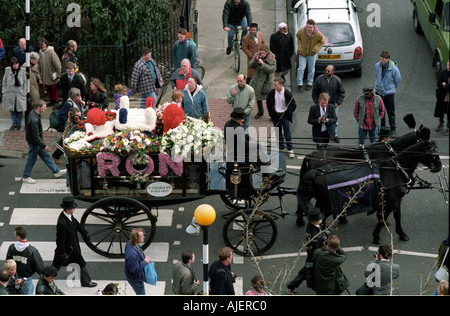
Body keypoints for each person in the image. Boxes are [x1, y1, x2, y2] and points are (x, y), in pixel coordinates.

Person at [52, 196, 97, 288]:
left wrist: (84, 233)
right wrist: (63, 253)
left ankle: (86, 281)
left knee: (76, 263)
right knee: (57, 265)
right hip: (67, 248)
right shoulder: (62, 223)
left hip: (72, 247)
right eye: (73, 207)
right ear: (67, 209)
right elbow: (59, 240)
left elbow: (76, 223)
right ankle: (46, 278)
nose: (75, 208)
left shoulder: (69, 215)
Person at [22, 100, 67, 184]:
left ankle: (56, 171)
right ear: (39, 107)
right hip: (35, 143)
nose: (46, 108)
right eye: (44, 107)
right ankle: (26, 176)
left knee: (46, 156)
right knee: (31, 159)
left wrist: (42, 145)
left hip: (36, 142)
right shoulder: (34, 119)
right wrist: (44, 146)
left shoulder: (34, 114)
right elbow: (35, 136)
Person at [287, 208, 329, 293]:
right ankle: (292, 285)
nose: (322, 219)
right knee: (307, 272)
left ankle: (292, 285)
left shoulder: (311, 226)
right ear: (315, 221)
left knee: (306, 272)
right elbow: (315, 248)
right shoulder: (314, 234)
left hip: (314, 255)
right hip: (314, 256)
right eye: (320, 218)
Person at [5, 226, 44, 295]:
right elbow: (39, 266)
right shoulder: (32, 250)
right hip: (26, 279)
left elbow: (7, 263)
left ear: (18, 237)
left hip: (13, 278)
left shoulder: (12, 248)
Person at [52, 88, 86, 164]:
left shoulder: (78, 101)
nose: (80, 97)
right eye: (78, 96)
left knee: (65, 139)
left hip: (77, 123)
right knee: (66, 140)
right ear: (73, 97)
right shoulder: (68, 104)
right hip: (71, 125)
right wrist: (68, 122)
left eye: (80, 95)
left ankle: (57, 155)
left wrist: (84, 105)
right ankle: (56, 155)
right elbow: (61, 115)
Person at [312, 65, 345, 142]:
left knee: (334, 120)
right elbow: (314, 92)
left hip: (332, 105)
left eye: (328, 71)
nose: (326, 72)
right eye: (325, 70)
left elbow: (342, 93)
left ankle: (334, 135)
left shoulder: (337, 80)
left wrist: (337, 103)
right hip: (322, 104)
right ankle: (321, 133)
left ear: (333, 72)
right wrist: (317, 102)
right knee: (321, 119)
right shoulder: (319, 80)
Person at [266, 77, 297, 158]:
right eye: (274, 84)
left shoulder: (287, 94)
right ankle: (281, 147)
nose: (274, 86)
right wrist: (271, 113)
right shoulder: (272, 92)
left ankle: (290, 149)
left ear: (281, 85)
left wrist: (288, 113)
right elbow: (268, 103)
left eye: (275, 85)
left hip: (284, 115)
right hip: (275, 115)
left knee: (287, 133)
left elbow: (294, 105)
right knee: (277, 132)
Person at [374, 50, 401, 137]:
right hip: (379, 92)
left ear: (388, 59)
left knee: (391, 112)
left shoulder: (394, 69)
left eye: (383, 59)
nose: (381, 60)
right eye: (381, 58)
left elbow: (397, 80)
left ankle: (393, 129)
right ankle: (382, 129)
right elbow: (376, 75)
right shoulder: (377, 66)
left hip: (389, 93)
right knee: (380, 112)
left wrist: (391, 88)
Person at [296, 19, 325, 92]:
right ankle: (300, 84)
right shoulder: (302, 31)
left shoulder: (318, 34)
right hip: (302, 53)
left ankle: (309, 82)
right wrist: (299, 48)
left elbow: (322, 42)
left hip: (312, 54)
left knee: (311, 69)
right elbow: (298, 38)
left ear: (314, 27)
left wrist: (315, 48)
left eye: (310, 27)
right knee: (301, 69)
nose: (308, 29)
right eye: (307, 27)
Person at [249, 43, 276, 119]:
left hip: (266, 83)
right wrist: (255, 60)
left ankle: (272, 115)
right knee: (258, 98)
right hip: (257, 81)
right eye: (261, 52)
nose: (262, 54)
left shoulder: (272, 59)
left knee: (269, 100)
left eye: (264, 53)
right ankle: (260, 112)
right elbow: (250, 65)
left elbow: (272, 69)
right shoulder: (257, 56)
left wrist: (263, 64)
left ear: (267, 52)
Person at [2, 57, 27, 130]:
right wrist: (4, 91)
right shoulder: (7, 70)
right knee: (12, 108)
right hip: (10, 92)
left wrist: (24, 91)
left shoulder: (22, 71)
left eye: (16, 64)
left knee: (19, 108)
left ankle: (19, 123)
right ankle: (14, 123)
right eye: (13, 64)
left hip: (19, 92)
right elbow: (4, 81)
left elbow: (25, 82)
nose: (15, 66)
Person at [124, 227, 151, 295]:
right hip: (135, 279)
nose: (144, 237)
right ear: (136, 239)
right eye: (142, 236)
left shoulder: (130, 243)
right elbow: (134, 269)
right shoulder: (132, 255)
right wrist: (145, 262)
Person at [38, 38, 62, 108]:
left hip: (52, 74)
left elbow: (57, 64)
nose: (42, 47)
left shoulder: (51, 52)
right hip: (44, 74)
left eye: (43, 45)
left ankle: (56, 101)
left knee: (54, 88)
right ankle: (52, 100)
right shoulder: (40, 52)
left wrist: (58, 73)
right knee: (48, 88)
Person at [434, 60, 449, 136]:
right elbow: (439, 83)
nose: (448, 67)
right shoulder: (443, 72)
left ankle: (448, 128)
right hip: (442, 96)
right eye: (448, 65)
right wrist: (445, 85)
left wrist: (445, 85)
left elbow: (444, 85)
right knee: (441, 110)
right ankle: (441, 123)